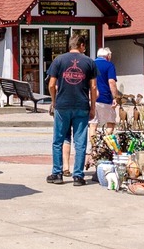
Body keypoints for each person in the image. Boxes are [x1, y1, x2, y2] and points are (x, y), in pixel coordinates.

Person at [46, 32, 98, 186]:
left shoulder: (59, 60)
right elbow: (93, 87)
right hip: (81, 105)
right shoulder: (89, 62)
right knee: (80, 142)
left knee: (58, 140)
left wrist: (54, 100)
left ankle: (57, 173)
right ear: (81, 45)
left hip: (62, 105)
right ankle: (78, 176)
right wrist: (93, 106)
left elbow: (50, 84)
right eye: (84, 46)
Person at [93, 47, 119, 135]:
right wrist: (115, 97)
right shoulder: (109, 65)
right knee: (110, 122)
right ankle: (105, 143)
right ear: (108, 56)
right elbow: (111, 82)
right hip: (105, 97)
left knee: (93, 124)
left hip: (91, 97)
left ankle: (94, 147)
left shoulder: (91, 64)